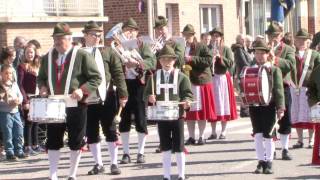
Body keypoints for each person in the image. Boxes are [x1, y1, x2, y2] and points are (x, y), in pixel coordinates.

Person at [37, 22, 101, 180]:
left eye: (60, 39)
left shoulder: (82, 55)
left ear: (69, 38)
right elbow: (41, 78)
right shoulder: (48, 57)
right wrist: (43, 87)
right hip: (54, 104)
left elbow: (96, 78)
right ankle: (53, 175)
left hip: (76, 104)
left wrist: (82, 90)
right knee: (52, 139)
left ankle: (72, 174)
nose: (57, 42)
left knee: (76, 139)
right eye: (55, 39)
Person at [81, 21, 128, 175]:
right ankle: (98, 164)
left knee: (110, 129)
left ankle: (114, 163)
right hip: (87, 98)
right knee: (91, 131)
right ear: (85, 35)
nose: (97, 38)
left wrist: (123, 94)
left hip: (107, 95)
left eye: (99, 35)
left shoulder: (108, 52)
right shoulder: (80, 53)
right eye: (94, 35)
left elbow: (118, 74)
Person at [144, 45, 193, 180]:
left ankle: (181, 175)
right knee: (165, 145)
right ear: (159, 61)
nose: (167, 62)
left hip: (177, 115)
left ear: (174, 60)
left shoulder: (182, 77)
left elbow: (187, 94)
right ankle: (166, 175)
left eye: (169, 59)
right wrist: (149, 97)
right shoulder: (154, 77)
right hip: (161, 115)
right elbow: (146, 93)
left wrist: (187, 101)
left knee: (179, 145)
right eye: (164, 59)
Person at [118, 18, 156, 164]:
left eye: (131, 30)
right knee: (124, 119)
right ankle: (126, 153)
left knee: (141, 118)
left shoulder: (142, 45)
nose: (129, 33)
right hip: (124, 84)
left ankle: (141, 152)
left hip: (139, 85)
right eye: (126, 30)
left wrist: (137, 63)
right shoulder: (119, 46)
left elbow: (152, 62)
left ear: (136, 32)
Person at [248, 40, 285, 174]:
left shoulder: (274, 70)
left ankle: (269, 161)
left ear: (267, 54)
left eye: (261, 53)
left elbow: (279, 90)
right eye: (256, 53)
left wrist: (281, 107)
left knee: (269, 134)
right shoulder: (250, 69)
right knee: (257, 134)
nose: (258, 56)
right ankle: (260, 161)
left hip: (269, 105)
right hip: (254, 105)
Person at [153, 16, 185, 153]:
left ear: (167, 28)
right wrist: (153, 51)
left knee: (173, 109)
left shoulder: (176, 41)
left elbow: (180, 59)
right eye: (158, 29)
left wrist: (163, 50)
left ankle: (177, 142)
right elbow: (153, 62)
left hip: (173, 78)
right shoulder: (156, 42)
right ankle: (164, 142)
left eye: (162, 28)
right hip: (160, 78)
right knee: (162, 110)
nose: (160, 31)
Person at [265, 22, 296, 160]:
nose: (273, 38)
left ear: (281, 35)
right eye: (271, 35)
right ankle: (271, 148)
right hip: (268, 87)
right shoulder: (264, 48)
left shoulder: (288, 49)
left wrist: (275, 59)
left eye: (276, 36)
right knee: (269, 119)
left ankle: (285, 148)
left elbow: (290, 65)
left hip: (284, 86)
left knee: (285, 119)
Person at [182, 24, 216, 145]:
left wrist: (192, 59)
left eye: (188, 35)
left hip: (200, 81)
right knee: (190, 111)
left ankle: (201, 136)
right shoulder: (182, 47)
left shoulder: (201, 46)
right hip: (187, 81)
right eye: (185, 35)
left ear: (193, 35)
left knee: (201, 111)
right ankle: (191, 136)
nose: (186, 37)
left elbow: (208, 60)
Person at [290, 29, 320, 149]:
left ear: (309, 41)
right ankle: (300, 140)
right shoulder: (291, 54)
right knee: (296, 113)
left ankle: (311, 140)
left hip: (309, 89)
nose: (301, 42)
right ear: (295, 41)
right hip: (295, 88)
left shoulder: (314, 54)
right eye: (299, 39)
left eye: (304, 39)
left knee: (311, 114)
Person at [207, 27, 238, 140]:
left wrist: (220, 58)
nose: (215, 38)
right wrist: (211, 59)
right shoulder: (208, 48)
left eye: (217, 36)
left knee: (223, 104)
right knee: (213, 105)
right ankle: (213, 132)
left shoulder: (226, 49)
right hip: (212, 78)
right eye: (213, 36)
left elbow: (231, 64)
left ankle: (223, 131)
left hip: (222, 78)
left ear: (221, 38)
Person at [17, 43, 42, 155]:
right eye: (27, 52)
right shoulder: (22, 66)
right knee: (29, 122)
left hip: (37, 96)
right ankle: (27, 146)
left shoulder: (37, 65)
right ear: (24, 54)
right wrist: (25, 100)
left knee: (36, 121)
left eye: (31, 52)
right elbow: (20, 84)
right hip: (28, 97)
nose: (30, 54)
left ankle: (35, 145)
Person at [0, 64, 27, 161]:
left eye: (10, 73)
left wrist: (19, 100)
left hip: (16, 111)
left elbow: (20, 95)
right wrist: (8, 102)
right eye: (6, 73)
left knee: (19, 131)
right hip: (5, 112)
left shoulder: (14, 84)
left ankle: (19, 151)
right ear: (1, 73)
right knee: (8, 133)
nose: (8, 75)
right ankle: (10, 153)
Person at [231, 34, 253, 117]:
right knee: (244, 92)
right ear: (238, 40)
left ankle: (245, 110)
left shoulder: (243, 49)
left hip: (244, 72)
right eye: (242, 39)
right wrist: (251, 67)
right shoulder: (238, 49)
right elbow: (243, 62)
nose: (244, 41)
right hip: (243, 73)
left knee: (245, 91)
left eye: (244, 39)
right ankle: (244, 111)